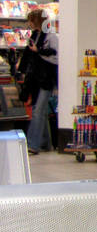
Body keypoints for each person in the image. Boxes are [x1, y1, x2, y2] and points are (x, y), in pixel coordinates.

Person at [21, 9, 57, 156]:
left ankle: (32, 145)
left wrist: (39, 51)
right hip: (36, 78)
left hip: (46, 79)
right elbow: (29, 53)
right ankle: (46, 144)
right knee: (40, 111)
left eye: (31, 20)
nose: (29, 23)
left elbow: (55, 56)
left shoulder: (51, 36)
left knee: (37, 111)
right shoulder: (36, 35)